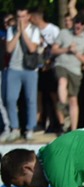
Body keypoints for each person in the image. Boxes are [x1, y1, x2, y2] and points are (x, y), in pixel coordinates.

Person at [2, 8, 42, 142]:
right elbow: (9, 49)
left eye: (23, 16)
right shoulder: (11, 30)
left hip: (30, 69)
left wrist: (24, 32)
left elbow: (32, 48)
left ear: (28, 16)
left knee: (31, 99)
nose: (20, 19)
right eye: (18, 16)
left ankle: (30, 128)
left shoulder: (34, 30)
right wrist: (18, 32)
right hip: (14, 68)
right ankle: (15, 128)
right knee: (10, 99)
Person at [51, 12, 84, 134]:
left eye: (81, 23)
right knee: (62, 81)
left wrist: (75, 52)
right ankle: (62, 105)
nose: (78, 25)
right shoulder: (64, 33)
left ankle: (73, 129)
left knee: (73, 100)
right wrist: (67, 49)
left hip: (75, 70)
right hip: (61, 65)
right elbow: (54, 50)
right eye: (77, 22)